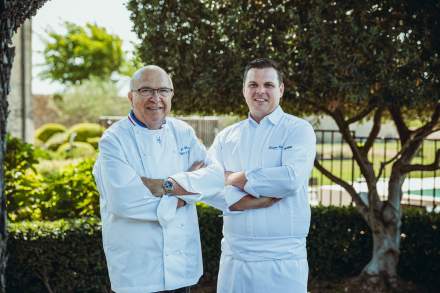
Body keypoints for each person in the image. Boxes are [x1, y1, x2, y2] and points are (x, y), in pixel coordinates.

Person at [93, 65, 224, 293]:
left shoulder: (183, 131)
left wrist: (165, 185)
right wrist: (185, 196)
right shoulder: (114, 140)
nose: (156, 98)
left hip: (182, 268)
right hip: (138, 272)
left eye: (163, 90)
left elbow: (214, 177)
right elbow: (125, 202)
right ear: (130, 96)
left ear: (172, 94)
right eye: (146, 90)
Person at [209, 58, 316, 293]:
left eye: (268, 84)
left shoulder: (298, 130)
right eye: (253, 85)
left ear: (281, 89)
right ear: (244, 90)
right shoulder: (227, 136)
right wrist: (244, 203)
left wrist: (231, 178)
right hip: (235, 260)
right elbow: (207, 183)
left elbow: (289, 180)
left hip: (283, 261)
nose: (260, 91)